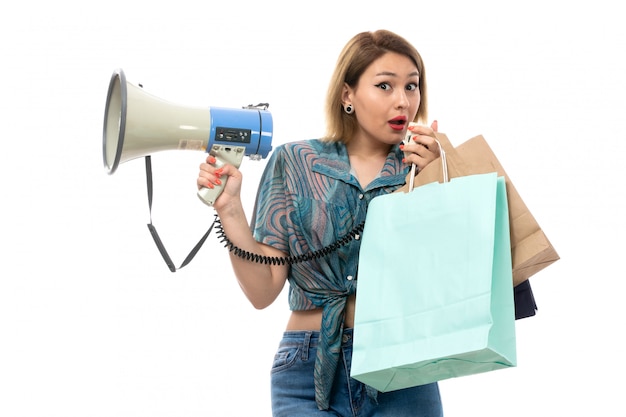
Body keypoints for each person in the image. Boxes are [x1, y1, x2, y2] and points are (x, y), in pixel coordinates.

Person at [197, 29, 444, 417]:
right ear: (348, 94)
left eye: (412, 87)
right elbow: (263, 292)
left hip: (402, 366)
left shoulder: (426, 167)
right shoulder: (295, 161)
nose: (403, 101)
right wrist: (230, 210)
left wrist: (439, 183)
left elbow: (446, 275)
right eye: (385, 86)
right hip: (305, 369)